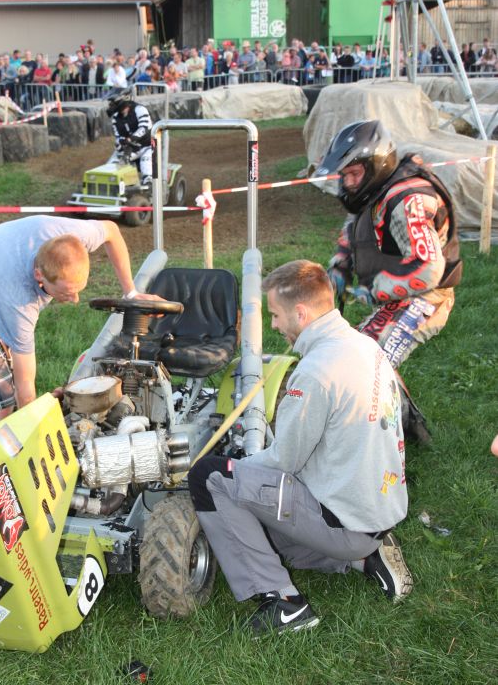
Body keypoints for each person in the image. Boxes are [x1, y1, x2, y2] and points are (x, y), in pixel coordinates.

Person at [189, 260, 412, 636]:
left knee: (209, 477)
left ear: (301, 312)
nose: (274, 324)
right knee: (257, 528)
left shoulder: (315, 372)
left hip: (344, 523)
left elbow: (282, 462)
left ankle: (285, 603)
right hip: (379, 509)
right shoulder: (365, 345)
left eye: (275, 315)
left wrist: (238, 464)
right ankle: (364, 558)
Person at [0, 216, 158, 470]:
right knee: (3, 401)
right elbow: (25, 385)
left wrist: (130, 292)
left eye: (79, 289)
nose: (75, 300)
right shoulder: (18, 299)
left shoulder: (74, 235)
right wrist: (35, 446)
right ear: (39, 275)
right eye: (66, 292)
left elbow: (111, 231)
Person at [317, 120, 462, 437]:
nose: (349, 183)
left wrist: (375, 290)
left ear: (376, 166)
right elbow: (355, 226)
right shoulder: (376, 189)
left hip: (426, 297)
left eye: (354, 174)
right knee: (362, 352)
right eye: (345, 176)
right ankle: (408, 429)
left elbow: (427, 268)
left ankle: (383, 439)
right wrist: (340, 267)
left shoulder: (408, 199)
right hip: (404, 295)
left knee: (365, 360)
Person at [107, 89, 154, 183]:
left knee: (146, 166)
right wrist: (120, 144)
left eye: (113, 103)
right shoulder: (116, 118)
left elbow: (144, 128)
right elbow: (118, 137)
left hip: (147, 146)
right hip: (130, 148)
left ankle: (148, 185)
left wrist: (130, 139)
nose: (111, 106)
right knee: (110, 167)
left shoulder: (139, 109)